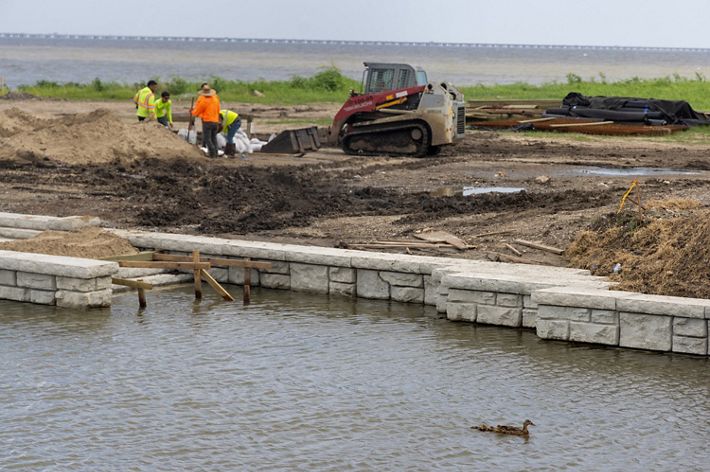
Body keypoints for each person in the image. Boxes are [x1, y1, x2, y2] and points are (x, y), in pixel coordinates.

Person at [191, 84, 220, 158]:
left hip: (207, 121)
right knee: (214, 138)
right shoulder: (215, 98)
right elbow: (218, 109)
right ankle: (215, 154)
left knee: (207, 138)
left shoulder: (204, 100)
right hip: (215, 120)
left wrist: (192, 112)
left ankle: (212, 152)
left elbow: (197, 111)